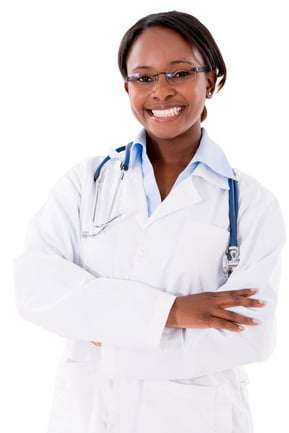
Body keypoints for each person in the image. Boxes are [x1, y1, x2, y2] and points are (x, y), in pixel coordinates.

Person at [13, 10, 285, 433]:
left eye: (179, 73)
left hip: (197, 418)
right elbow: (35, 287)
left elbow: (250, 334)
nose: (161, 91)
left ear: (210, 81)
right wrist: (174, 311)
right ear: (126, 87)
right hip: (88, 413)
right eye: (143, 77)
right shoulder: (86, 182)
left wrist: (108, 331)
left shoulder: (251, 203)